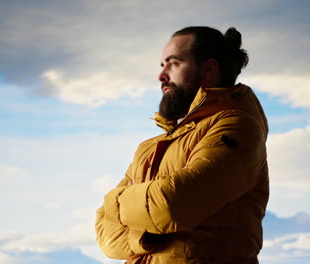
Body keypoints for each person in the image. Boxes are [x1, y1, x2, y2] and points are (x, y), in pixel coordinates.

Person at [95, 26, 269, 264]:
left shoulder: (237, 127)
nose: (162, 75)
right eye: (161, 66)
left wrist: (113, 201)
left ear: (208, 69)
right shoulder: (148, 148)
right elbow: (106, 236)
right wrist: (145, 236)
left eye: (173, 64)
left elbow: (173, 204)